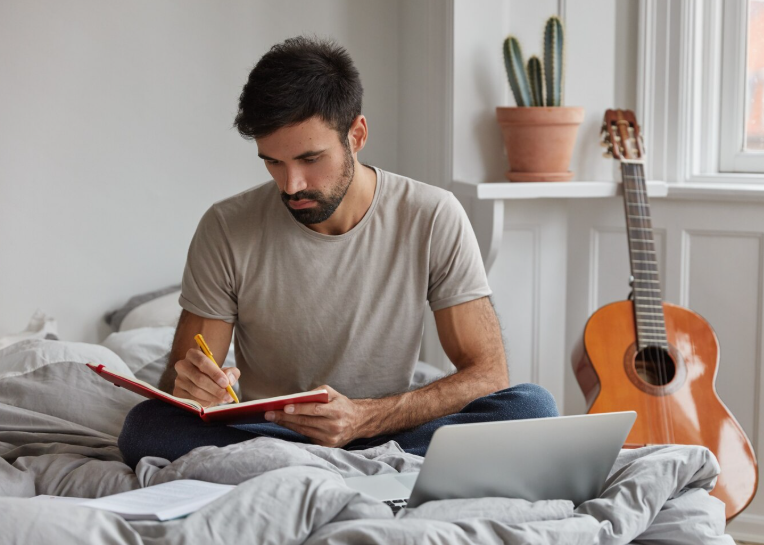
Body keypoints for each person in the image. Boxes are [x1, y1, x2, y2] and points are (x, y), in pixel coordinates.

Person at [118, 36, 558, 469]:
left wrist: (366, 417)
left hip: (387, 428)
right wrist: (194, 388)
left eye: (310, 159)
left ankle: (298, 471)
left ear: (357, 134)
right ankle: (325, 468)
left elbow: (487, 374)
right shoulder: (226, 227)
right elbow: (182, 385)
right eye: (273, 162)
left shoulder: (432, 215)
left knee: (532, 407)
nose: (291, 185)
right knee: (147, 427)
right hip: (271, 431)